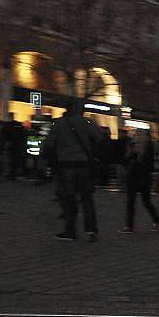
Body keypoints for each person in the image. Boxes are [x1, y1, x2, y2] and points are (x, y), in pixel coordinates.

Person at [40, 99, 100, 242]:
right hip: (84, 165)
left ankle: (70, 230)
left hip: (66, 165)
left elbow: (49, 143)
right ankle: (91, 230)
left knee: (69, 198)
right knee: (87, 198)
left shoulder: (59, 124)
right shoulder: (86, 122)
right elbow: (99, 137)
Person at [119, 128, 159, 233]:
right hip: (133, 176)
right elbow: (125, 159)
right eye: (135, 134)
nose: (136, 137)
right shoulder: (132, 145)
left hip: (143, 177)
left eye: (138, 134)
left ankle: (156, 220)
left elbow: (148, 164)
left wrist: (137, 155)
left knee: (145, 201)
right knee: (131, 201)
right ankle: (129, 225)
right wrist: (131, 153)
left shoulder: (148, 147)